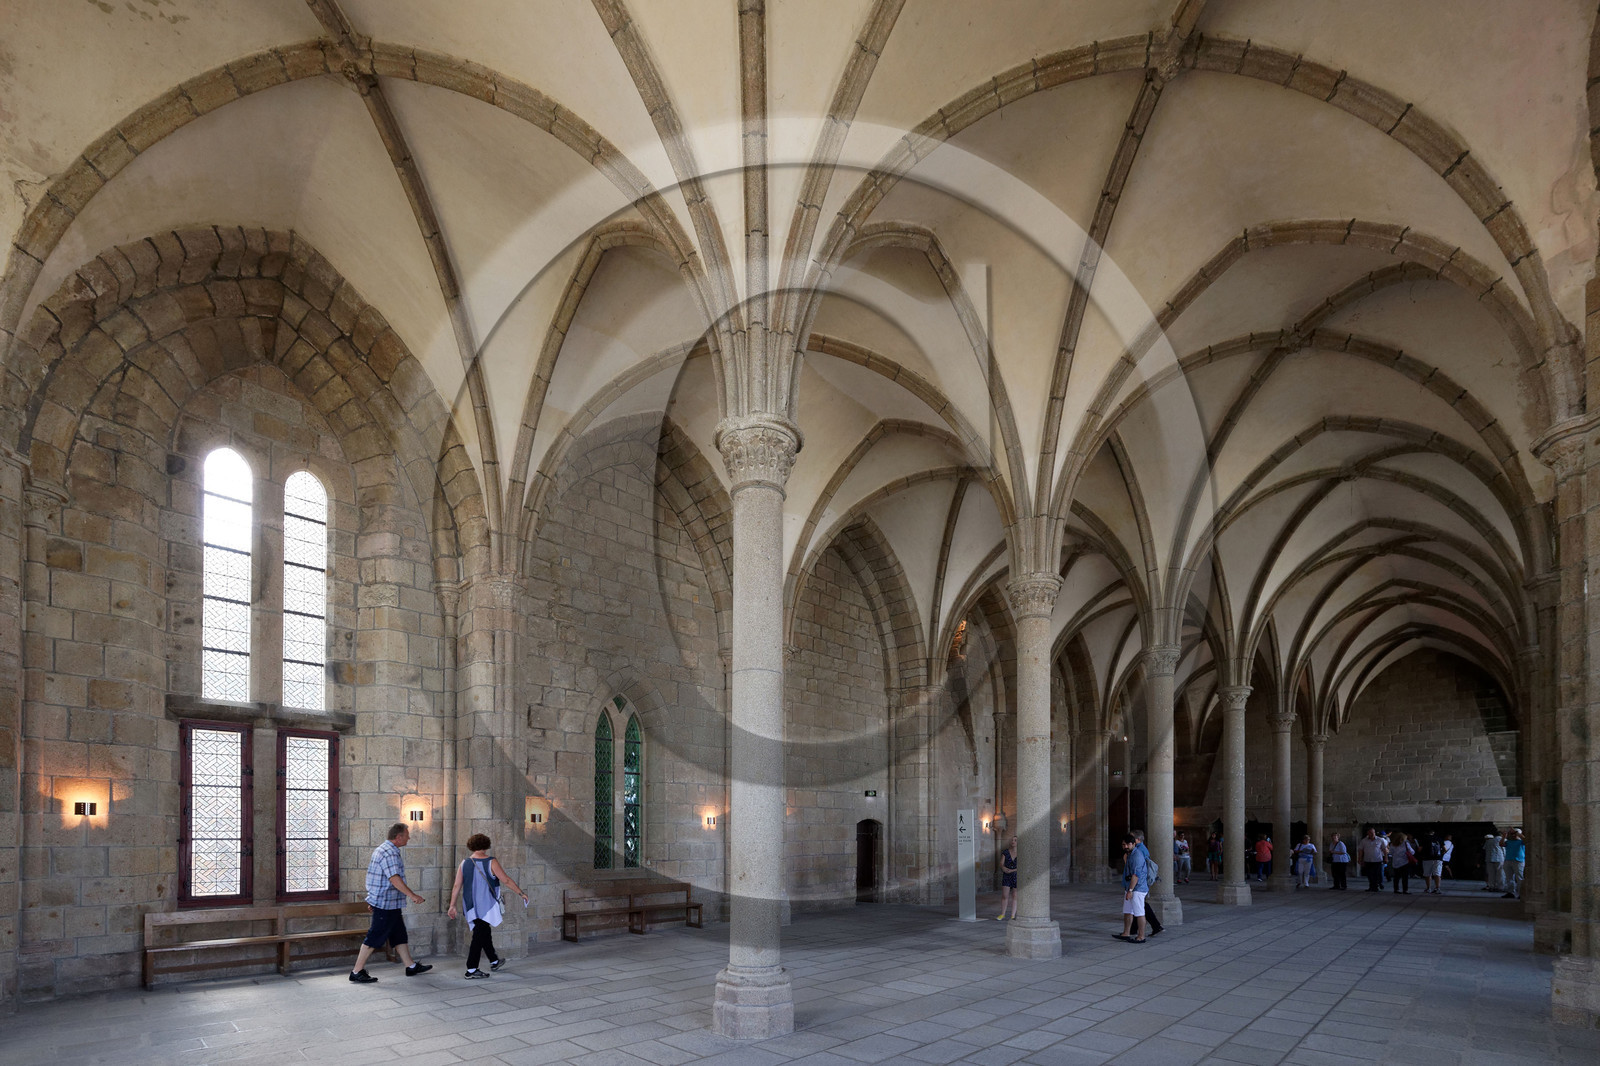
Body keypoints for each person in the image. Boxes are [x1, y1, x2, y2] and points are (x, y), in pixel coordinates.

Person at [349, 823, 431, 983]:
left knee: (399, 935)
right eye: (406, 835)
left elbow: (375, 877)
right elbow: (394, 878)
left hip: (390, 903)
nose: (409, 838)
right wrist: (412, 895)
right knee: (374, 936)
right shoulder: (389, 853)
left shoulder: (385, 849)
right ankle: (356, 971)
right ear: (398, 837)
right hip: (385, 904)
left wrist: (373, 899)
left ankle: (411, 966)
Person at [447, 833, 529, 978]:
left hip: (470, 905)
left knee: (483, 931)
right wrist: (521, 893)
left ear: (471, 845)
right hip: (486, 905)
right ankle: (471, 969)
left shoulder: (464, 863)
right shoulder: (491, 861)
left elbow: (456, 885)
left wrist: (452, 905)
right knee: (479, 935)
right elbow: (506, 880)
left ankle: (494, 960)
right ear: (486, 845)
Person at [1114, 833, 1150, 943]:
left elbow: (1136, 875)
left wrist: (1130, 890)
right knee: (1127, 911)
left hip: (1137, 889)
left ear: (1134, 844)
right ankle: (1126, 933)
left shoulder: (1137, 856)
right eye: (1123, 844)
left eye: (1128, 844)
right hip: (1130, 887)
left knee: (1139, 913)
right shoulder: (1130, 854)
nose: (1125, 846)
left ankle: (1141, 936)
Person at [996, 836, 1018, 920]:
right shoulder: (1006, 852)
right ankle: (1002, 914)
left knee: (1015, 895)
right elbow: (1001, 863)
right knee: (1005, 895)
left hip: (1016, 875)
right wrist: (1004, 868)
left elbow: (1022, 866)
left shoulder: (1021, 853)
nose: (1013, 841)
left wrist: (1013, 870)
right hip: (1007, 875)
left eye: (1015, 840)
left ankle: (1013, 915)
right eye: (1012, 840)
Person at [1356, 827, 1385, 892]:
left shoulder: (1380, 840)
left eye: (1373, 832)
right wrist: (1359, 858)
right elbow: (1361, 850)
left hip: (1377, 860)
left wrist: (1386, 858)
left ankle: (1376, 886)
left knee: (1376, 874)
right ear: (1368, 833)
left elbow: (1384, 849)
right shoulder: (1364, 841)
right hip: (1368, 860)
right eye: (1370, 833)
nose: (1372, 834)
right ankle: (1371, 886)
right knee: (1369, 874)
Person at [1501, 828, 1526, 900]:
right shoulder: (1508, 841)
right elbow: (1501, 844)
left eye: (1514, 834)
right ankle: (1510, 892)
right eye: (1512, 834)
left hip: (1518, 861)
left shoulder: (1521, 842)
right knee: (1509, 878)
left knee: (1519, 878)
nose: (1513, 835)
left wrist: (1518, 833)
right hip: (1508, 860)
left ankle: (1521, 893)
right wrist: (1503, 837)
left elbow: (1526, 840)